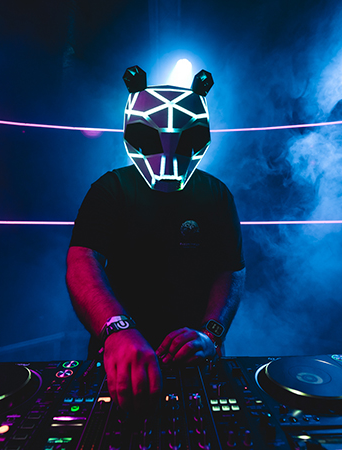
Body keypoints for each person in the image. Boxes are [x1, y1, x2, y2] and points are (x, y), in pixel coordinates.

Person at [66, 66, 245, 413]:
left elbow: (231, 269)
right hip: (118, 362)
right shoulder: (111, 189)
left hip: (196, 360)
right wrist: (117, 330)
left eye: (184, 141)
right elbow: (82, 260)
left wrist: (210, 334)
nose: (168, 159)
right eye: (152, 139)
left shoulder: (216, 195)